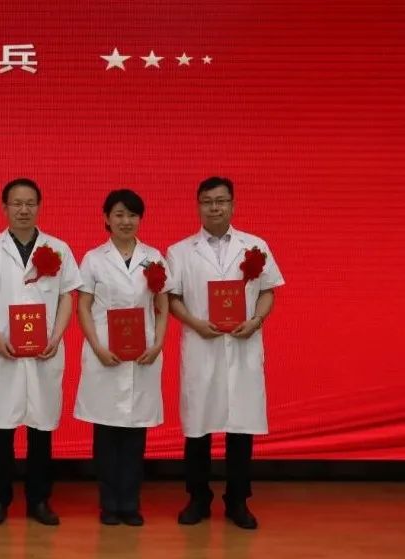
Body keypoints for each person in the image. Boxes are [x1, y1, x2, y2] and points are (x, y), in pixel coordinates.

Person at [166, 177, 285, 530]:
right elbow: (173, 298)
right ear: (198, 206)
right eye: (207, 201)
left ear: (232, 205)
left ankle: (237, 501)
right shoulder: (180, 251)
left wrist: (257, 320)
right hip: (202, 345)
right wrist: (195, 323)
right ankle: (197, 498)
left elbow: (268, 291)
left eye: (221, 201)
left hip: (243, 345)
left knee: (241, 428)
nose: (214, 207)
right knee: (198, 428)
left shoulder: (255, 246)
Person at [0, 178, 82, 526]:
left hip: (44, 352)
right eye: (16, 203)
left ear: (39, 207)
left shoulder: (58, 248)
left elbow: (67, 296)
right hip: (3, 351)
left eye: (30, 203)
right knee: (0, 431)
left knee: (41, 431)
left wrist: (56, 337)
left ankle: (39, 500)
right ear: (4, 208)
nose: (23, 210)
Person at [74, 189, 169, 527]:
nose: (125, 221)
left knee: (134, 435)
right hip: (105, 353)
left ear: (140, 219)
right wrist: (97, 346)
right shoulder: (93, 259)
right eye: (118, 214)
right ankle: (109, 504)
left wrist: (157, 344)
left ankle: (130, 503)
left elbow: (161, 306)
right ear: (106, 218)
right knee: (106, 434)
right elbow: (83, 306)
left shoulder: (154, 257)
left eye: (132, 215)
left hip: (142, 355)